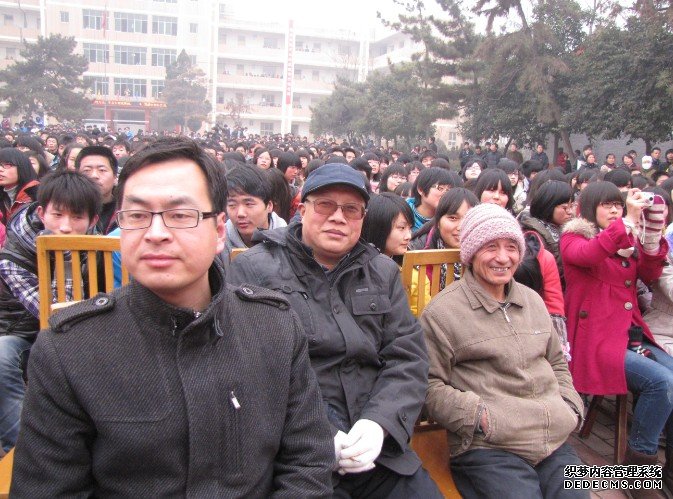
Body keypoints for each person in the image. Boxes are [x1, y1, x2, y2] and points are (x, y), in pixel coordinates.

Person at [11, 137, 334, 496]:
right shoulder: (69, 350)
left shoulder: (273, 327)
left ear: (218, 230)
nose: (156, 234)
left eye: (180, 215)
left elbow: (307, 464)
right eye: (137, 216)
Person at [228, 163, 441, 498]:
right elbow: (247, 373)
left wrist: (379, 423)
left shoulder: (382, 272)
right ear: (302, 210)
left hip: (377, 452)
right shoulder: (254, 270)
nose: (338, 218)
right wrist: (321, 432)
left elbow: (408, 357)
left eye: (351, 209)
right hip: (296, 457)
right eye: (325, 205)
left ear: (363, 219)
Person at [420, 203, 585, 499]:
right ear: (471, 252)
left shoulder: (532, 301)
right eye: (490, 247)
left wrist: (569, 404)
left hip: (551, 438)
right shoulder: (442, 313)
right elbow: (428, 385)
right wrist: (479, 417)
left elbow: (557, 361)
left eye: (511, 247)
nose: (503, 257)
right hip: (489, 446)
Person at [561, 182, 671, 494]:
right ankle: (638, 468)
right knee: (661, 382)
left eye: (618, 205)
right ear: (590, 207)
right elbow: (589, 254)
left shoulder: (626, 242)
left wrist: (651, 235)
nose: (614, 210)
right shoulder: (574, 237)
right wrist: (626, 223)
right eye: (606, 205)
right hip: (594, 340)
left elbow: (650, 273)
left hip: (628, 334)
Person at [0, 170, 101, 452]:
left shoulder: (101, 246)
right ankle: (23, 450)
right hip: (24, 333)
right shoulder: (12, 257)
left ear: (93, 220)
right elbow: (54, 316)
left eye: (77, 217)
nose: (65, 227)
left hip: (85, 330)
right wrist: (64, 258)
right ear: (42, 213)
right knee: (1, 357)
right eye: (57, 215)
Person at [223, 165, 287, 254]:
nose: (240, 213)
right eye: (232, 205)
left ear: (269, 206)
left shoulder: (288, 243)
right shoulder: (218, 244)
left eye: (249, 204)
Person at [75, 146, 119, 234]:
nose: (94, 176)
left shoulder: (125, 211)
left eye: (102, 170)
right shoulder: (65, 208)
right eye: (87, 170)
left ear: (115, 177)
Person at [361, 192, 413, 263]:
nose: (409, 236)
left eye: (410, 228)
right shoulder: (359, 267)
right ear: (378, 228)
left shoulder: (410, 264)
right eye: (402, 227)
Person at [407, 167, 461, 232]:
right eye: (440, 188)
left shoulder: (450, 218)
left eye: (448, 190)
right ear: (421, 190)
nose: (445, 194)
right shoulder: (402, 214)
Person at [0, 148, 39, 225]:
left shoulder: (36, 195)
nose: (0, 169)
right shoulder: (3, 196)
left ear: (22, 167)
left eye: (7, 165)